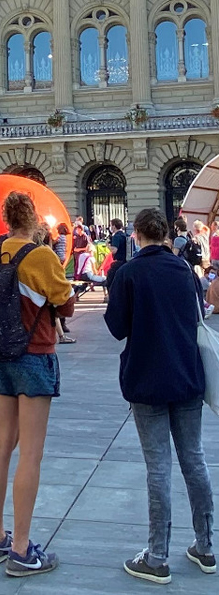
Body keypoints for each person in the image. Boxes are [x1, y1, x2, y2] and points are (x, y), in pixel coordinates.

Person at [104, 208, 215, 584]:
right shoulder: (184, 271)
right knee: (194, 461)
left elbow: (117, 327)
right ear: (166, 234)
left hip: (147, 378)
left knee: (158, 468)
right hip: (186, 376)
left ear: (136, 235)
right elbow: (197, 314)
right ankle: (206, 546)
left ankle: (157, 556)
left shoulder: (130, 273)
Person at [0, 192, 75, 579]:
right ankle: (21, 549)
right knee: (31, 454)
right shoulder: (41, 256)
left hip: (2, 354)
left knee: (3, 442)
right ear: (33, 218)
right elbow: (66, 305)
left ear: (6, 219)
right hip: (34, 354)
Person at [106, 218, 128, 289]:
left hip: (118, 261)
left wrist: (108, 245)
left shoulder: (116, 236)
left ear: (114, 226)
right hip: (125, 260)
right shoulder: (124, 235)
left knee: (110, 280)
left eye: (111, 225)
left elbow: (114, 250)